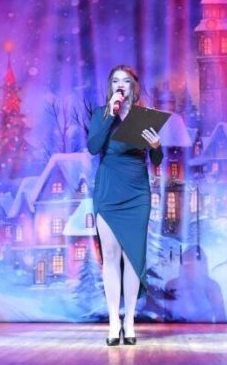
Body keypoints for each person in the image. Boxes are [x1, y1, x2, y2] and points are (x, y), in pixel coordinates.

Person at [87, 65, 163, 346]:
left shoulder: (143, 117)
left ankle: (129, 320)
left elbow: (156, 161)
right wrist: (110, 113)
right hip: (108, 191)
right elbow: (93, 147)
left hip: (136, 193)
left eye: (126, 81)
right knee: (110, 255)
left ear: (134, 87)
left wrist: (156, 146)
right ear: (111, 87)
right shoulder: (101, 114)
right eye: (116, 81)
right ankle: (113, 321)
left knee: (133, 257)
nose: (121, 85)